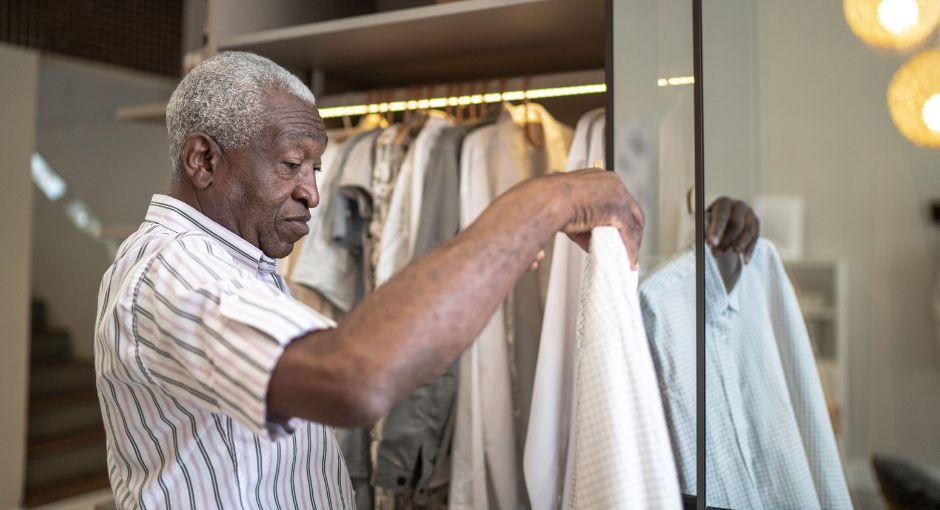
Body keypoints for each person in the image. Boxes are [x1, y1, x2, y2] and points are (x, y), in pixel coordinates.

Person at [94, 51, 757, 508]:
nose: (313, 194)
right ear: (204, 158)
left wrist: (703, 261)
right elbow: (354, 375)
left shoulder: (240, 264)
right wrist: (541, 203)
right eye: (293, 164)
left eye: (316, 168)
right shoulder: (172, 275)